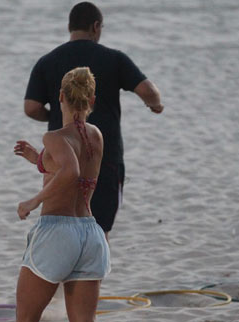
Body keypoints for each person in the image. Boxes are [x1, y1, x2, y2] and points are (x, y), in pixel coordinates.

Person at [10, 67, 140, 322]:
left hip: (57, 231)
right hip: (90, 234)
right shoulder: (95, 135)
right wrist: (37, 161)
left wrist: (33, 201)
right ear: (93, 101)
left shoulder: (54, 136)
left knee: (25, 321)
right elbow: (71, 163)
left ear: (61, 98)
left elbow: (70, 171)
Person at [24, 1, 163, 236]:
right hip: (103, 159)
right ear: (96, 26)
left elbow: (31, 108)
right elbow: (148, 91)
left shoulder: (47, 62)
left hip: (60, 159)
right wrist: (156, 106)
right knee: (99, 231)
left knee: (60, 225)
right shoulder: (114, 59)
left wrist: (55, 115)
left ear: (70, 27)